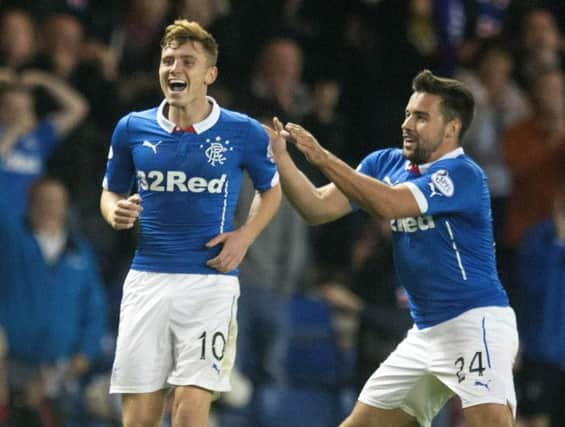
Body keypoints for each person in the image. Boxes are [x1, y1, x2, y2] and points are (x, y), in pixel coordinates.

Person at [265, 69, 518, 427]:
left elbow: (388, 205)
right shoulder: (385, 164)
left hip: (474, 322)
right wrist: (282, 159)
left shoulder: (463, 175)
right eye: (408, 114)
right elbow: (316, 207)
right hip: (427, 333)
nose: (408, 124)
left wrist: (323, 158)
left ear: (451, 128)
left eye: (421, 117)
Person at [99, 19, 281, 427]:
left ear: (209, 74)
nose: (174, 68)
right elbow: (109, 192)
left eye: (187, 61)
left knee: (188, 409)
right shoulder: (132, 129)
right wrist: (115, 212)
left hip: (209, 283)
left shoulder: (243, 131)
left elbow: (272, 190)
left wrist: (245, 236)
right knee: (139, 418)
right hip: (146, 280)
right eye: (167, 60)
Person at [0, 177, 108, 426]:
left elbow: (95, 307)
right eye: (44, 201)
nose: (50, 207)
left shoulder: (79, 250)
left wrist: (85, 352)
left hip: (59, 371)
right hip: (9, 366)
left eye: (57, 202)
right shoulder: (11, 239)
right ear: (29, 203)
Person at [514, 183, 565, 427]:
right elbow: (528, 289)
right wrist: (559, 244)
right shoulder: (538, 238)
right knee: (535, 419)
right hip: (542, 352)